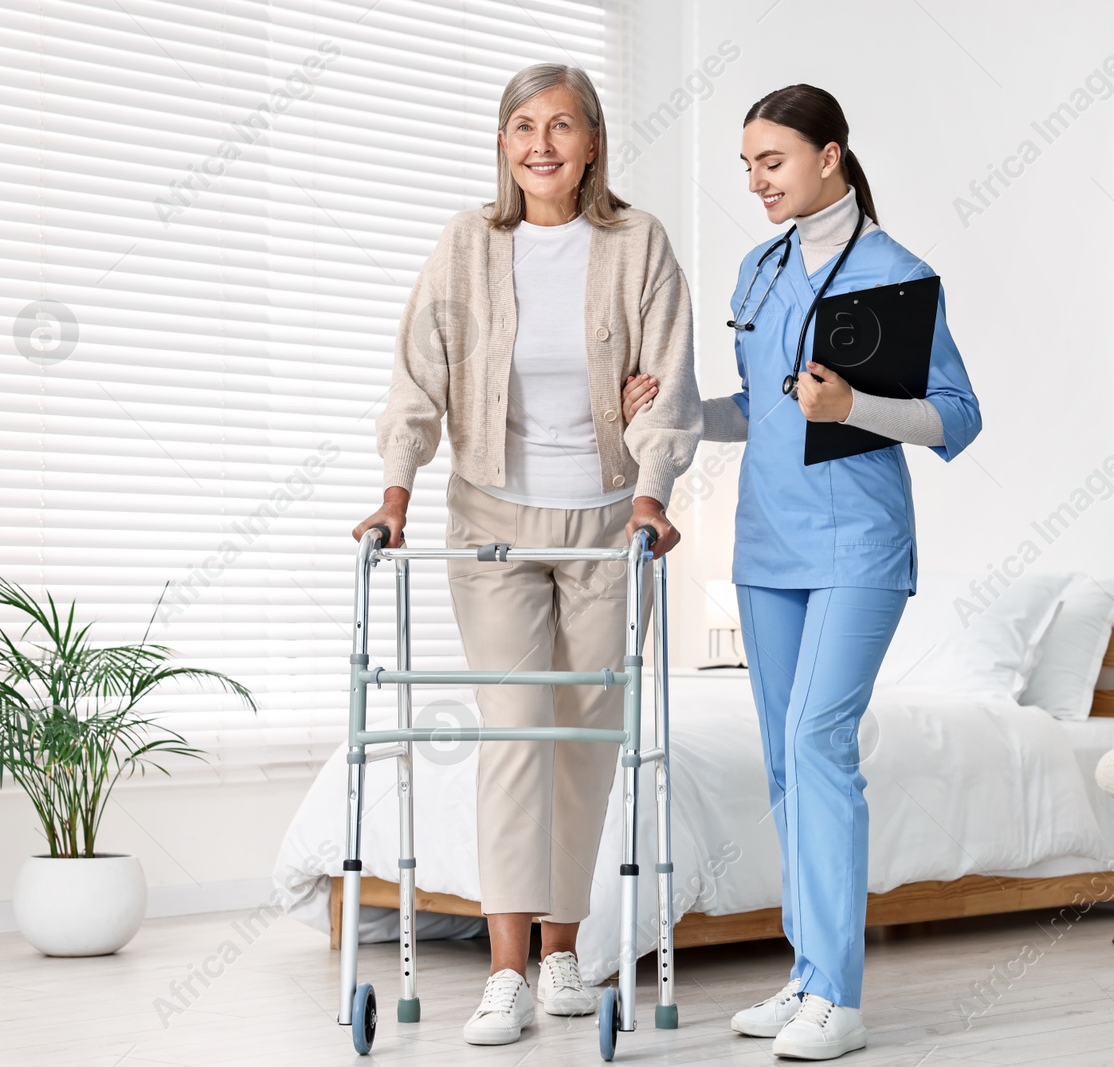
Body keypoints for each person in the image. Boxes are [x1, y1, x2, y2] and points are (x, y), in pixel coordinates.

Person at [623, 84, 980, 1061]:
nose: (755, 180)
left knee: (820, 738)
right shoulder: (761, 267)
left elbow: (955, 416)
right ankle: (809, 974)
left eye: (771, 160)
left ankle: (843, 997)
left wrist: (858, 406)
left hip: (858, 544)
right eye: (745, 164)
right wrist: (671, 410)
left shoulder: (897, 273)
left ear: (830, 154)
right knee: (784, 756)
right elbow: (761, 406)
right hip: (765, 545)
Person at [353, 63, 700, 1047]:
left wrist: (650, 495)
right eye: (521, 127)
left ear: (592, 140)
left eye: (560, 126)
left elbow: (669, 383)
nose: (540, 144)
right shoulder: (466, 245)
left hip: (603, 523)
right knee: (515, 729)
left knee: (586, 739)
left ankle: (561, 951)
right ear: (503, 144)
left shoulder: (638, 245)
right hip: (492, 523)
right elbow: (416, 380)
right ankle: (504, 968)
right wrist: (393, 492)